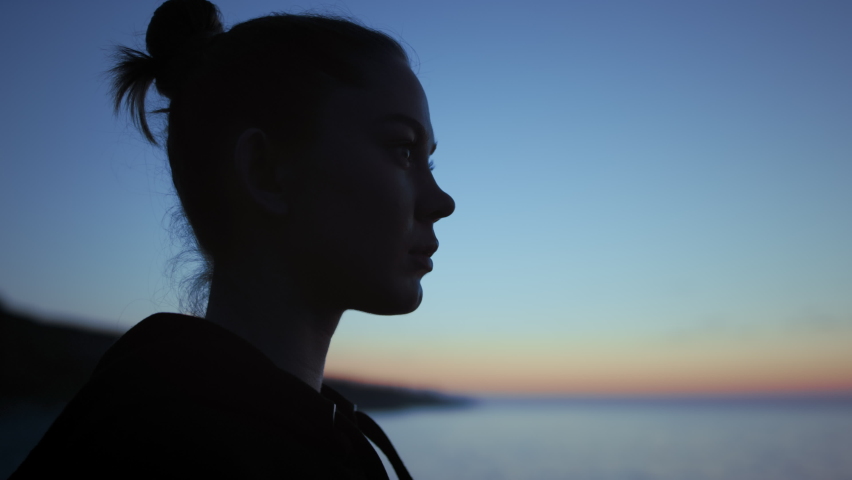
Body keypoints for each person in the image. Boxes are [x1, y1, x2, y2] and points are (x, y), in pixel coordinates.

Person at [10, 0, 454, 478]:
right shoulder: (188, 453)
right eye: (402, 149)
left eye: (428, 160)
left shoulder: (161, 415)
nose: (441, 201)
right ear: (267, 173)